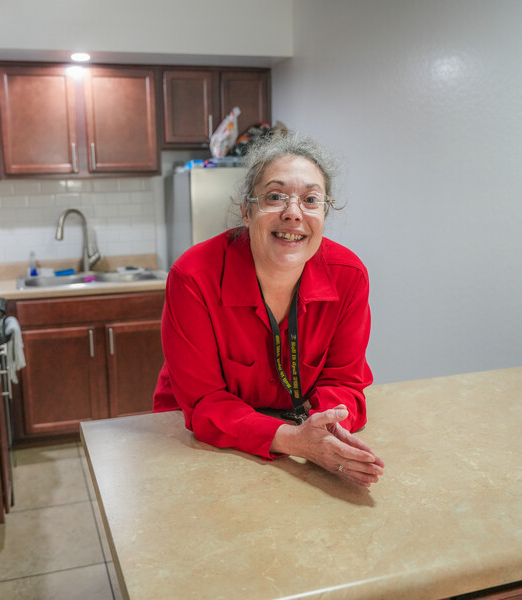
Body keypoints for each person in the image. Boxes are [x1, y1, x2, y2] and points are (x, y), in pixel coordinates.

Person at [153, 131, 385, 488]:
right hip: (198, 443)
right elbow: (204, 401)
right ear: (247, 211)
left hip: (300, 441)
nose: (293, 214)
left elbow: (343, 380)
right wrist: (294, 439)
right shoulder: (194, 277)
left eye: (310, 200)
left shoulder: (349, 276)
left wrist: (328, 427)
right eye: (275, 197)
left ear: (324, 212)